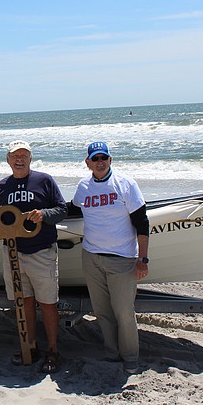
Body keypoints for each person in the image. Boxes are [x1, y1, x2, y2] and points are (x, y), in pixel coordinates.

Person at [70, 142, 149, 375]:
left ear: (111, 160)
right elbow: (71, 210)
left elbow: (142, 222)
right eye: (95, 159)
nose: (100, 162)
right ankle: (112, 353)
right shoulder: (83, 186)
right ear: (88, 163)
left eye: (104, 157)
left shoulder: (126, 184)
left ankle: (130, 358)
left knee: (124, 312)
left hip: (122, 259)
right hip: (91, 257)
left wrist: (143, 259)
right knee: (102, 311)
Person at [0, 140, 67, 373]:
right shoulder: (3, 186)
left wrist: (43, 214)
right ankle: (29, 348)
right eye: (15, 156)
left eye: (24, 155)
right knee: (24, 303)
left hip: (41, 252)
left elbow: (62, 210)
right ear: (8, 160)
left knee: (48, 303)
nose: (19, 159)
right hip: (12, 253)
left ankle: (53, 351)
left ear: (31, 159)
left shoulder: (44, 180)